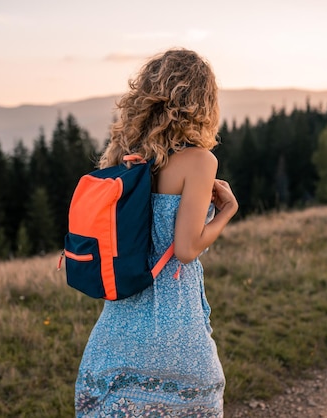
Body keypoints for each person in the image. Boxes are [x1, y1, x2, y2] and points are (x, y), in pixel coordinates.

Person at [74, 48, 238, 417]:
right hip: (173, 325)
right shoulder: (200, 160)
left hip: (116, 327)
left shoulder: (125, 158)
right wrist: (227, 211)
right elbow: (185, 248)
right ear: (202, 102)